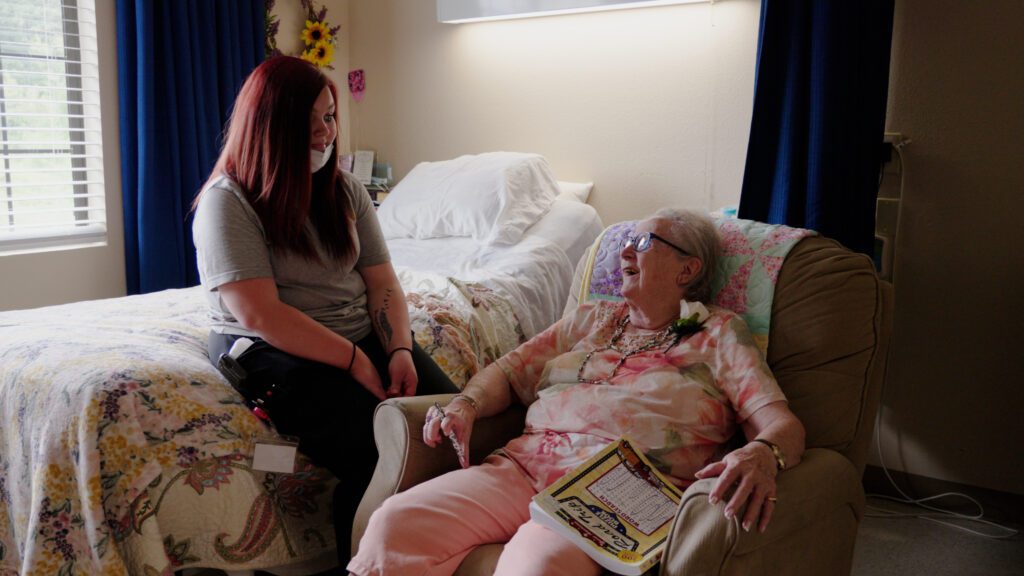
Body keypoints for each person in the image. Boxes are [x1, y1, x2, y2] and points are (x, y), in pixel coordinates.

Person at [348, 208, 806, 576]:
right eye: (627, 239)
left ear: (688, 268)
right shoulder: (589, 319)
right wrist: (466, 403)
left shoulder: (719, 334)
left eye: (644, 242)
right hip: (520, 469)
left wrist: (764, 452)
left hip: (611, 495)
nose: (625, 248)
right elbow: (507, 373)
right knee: (393, 524)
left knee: (535, 566)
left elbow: (781, 423)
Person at [191, 56, 458, 565]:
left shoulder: (344, 190)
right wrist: (357, 361)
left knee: (457, 424)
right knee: (383, 453)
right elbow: (261, 315)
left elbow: (382, 283)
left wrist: (398, 348)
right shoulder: (229, 202)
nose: (324, 134)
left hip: (359, 333)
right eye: (309, 122)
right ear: (270, 126)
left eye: (330, 118)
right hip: (273, 349)